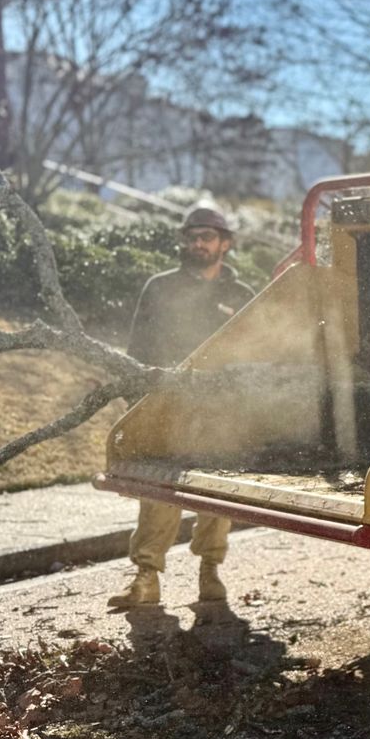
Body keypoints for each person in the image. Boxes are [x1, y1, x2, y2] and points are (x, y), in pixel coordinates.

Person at [106, 203, 255, 611]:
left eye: (207, 236)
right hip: (164, 404)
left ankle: (210, 571)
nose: (197, 243)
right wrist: (136, 399)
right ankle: (146, 577)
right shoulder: (159, 287)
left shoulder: (241, 296)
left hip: (219, 411)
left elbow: (254, 355)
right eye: (191, 236)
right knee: (159, 488)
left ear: (225, 243)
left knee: (215, 492)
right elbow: (137, 349)